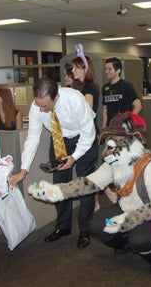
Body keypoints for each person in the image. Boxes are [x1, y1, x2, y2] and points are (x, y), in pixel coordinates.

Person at [28, 112, 151, 274]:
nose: (106, 154)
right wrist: (56, 191)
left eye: (113, 146)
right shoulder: (115, 164)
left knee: (140, 240)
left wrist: (126, 221)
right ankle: (124, 242)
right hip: (127, 208)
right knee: (97, 225)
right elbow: (88, 183)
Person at [9, 78, 98, 249]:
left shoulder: (75, 99)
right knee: (59, 184)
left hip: (83, 137)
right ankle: (63, 227)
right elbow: (33, 137)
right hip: (59, 139)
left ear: (56, 96)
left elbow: (89, 132)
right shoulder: (37, 107)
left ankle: (85, 230)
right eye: (38, 105)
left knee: (84, 185)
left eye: (45, 106)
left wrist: (75, 157)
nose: (41, 110)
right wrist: (23, 170)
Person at [71, 47, 118, 212]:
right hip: (83, 135)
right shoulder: (81, 86)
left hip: (87, 135)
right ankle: (106, 195)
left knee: (88, 171)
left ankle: (102, 197)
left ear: (85, 69)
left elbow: (87, 113)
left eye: (76, 67)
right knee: (90, 170)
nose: (72, 71)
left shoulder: (89, 87)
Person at [102, 57, 142, 128]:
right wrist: (104, 127)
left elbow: (138, 106)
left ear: (118, 71)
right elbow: (105, 109)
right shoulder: (105, 88)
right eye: (105, 69)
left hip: (123, 126)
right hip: (110, 126)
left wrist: (128, 122)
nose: (106, 71)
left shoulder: (126, 86)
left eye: (110, 69)